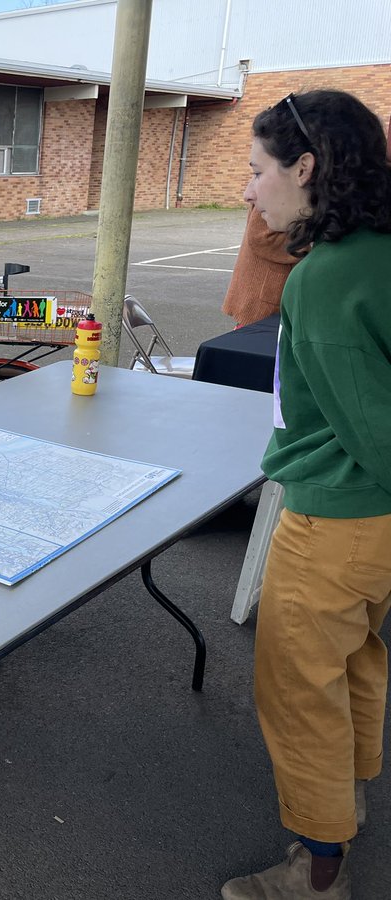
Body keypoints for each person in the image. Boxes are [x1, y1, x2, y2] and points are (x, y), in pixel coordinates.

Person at [221, 90, 391, 900]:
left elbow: (375, 431)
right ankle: (348, 800)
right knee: (353, 659)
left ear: (307, 167)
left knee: (296, 687)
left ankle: (317, 872)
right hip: (374, 530)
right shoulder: (378, 249)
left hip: (339, 515)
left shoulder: (322, 280)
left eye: (258, 170)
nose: (249, 190)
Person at [222, 204, 300, 327]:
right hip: (263, 288)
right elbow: (262, 237)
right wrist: (307, 244)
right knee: (256, 338)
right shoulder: (274, 189)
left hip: (268, 285)